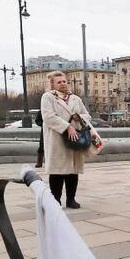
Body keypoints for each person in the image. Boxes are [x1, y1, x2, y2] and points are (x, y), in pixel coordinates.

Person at [40, 71, 91, 208]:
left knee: (73, 170)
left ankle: (71, 199)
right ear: (52, 84)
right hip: (57, 138)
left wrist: (79, 117)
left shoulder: (75, 98)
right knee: (57, 171)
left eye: (64, 81)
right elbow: (48, 116)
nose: (63, 83)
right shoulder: (48, 97)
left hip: (76, 139)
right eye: (59, 82)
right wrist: (67, 126)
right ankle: (55, 200)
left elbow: (87, 115)